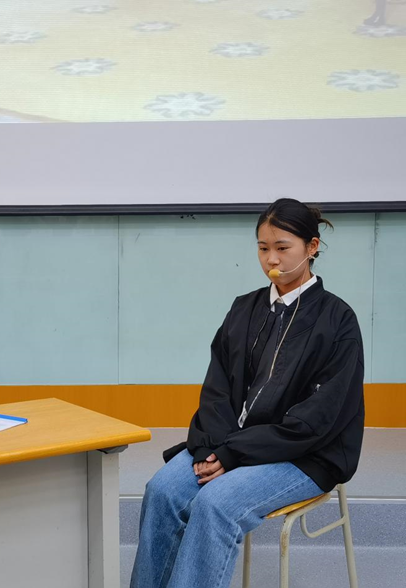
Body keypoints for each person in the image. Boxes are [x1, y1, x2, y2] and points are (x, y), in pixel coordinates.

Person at [130, 198, 365, 588]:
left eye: (282, 247)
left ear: (311, 247)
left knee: (216, 504)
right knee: (163, 491)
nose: (271, 259)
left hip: (307, 455)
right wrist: (210, 447)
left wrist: (233, 455)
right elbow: (217, 389)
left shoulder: (338, 320)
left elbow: (319, 418)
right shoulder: (244, 309)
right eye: (263, 248)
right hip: (231, 445)